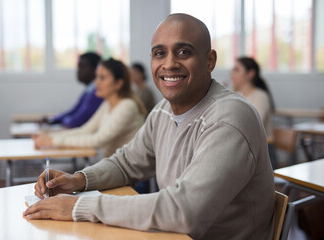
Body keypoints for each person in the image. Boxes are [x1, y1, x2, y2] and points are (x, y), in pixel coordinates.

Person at [24, 14, 275, 240]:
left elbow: (183, 210)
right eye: (159, 53)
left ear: (210, 61)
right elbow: (126, 163)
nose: (169, 64)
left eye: (183, 52)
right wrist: (78, 180)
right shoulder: (163, 111)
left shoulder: (230, 117)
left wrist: (79, 207)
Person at [33, 58, 146, 158]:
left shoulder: (127, 106)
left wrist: (52, 141)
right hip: (114, 166)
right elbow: (86, 130)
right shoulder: (107, 104)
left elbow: (98, 140)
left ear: (118, 83)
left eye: (102, 78)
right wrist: (50, 136)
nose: (96, 82)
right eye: (97, 77)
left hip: (132, 174)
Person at [47, 53, 103, 128]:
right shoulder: (89, 90)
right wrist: (53, 120)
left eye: (82, 67)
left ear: (95, 70)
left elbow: (76, 121)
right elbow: (73, 111)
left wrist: (63, 120)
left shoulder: (97, 93)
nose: (78, 71)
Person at [231, 57, 275, 137]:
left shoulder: (261, 96)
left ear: (250, 74)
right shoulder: (237, 95)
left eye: (236, 70)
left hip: (261, 147)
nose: (232, 74)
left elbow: (254, 126)